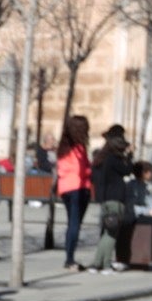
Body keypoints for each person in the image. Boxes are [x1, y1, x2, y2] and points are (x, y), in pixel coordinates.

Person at [88, 132, 133, 275]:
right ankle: (106, 264)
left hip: (106, 199)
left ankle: (96, 264)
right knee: (111, 235)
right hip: (115, 200)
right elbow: (127, 170)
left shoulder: (103, 159)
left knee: (106, 233)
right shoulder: (114, 159)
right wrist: (130, 156)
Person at [55, 115, 92, 272]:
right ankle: (69, 259)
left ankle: (70, 256)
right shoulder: (75, 149)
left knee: (73, 224)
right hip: (76, 187)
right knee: (74, 224)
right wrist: (90, 171)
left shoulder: (67, 147)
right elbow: (79, 170)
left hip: (70, 187)